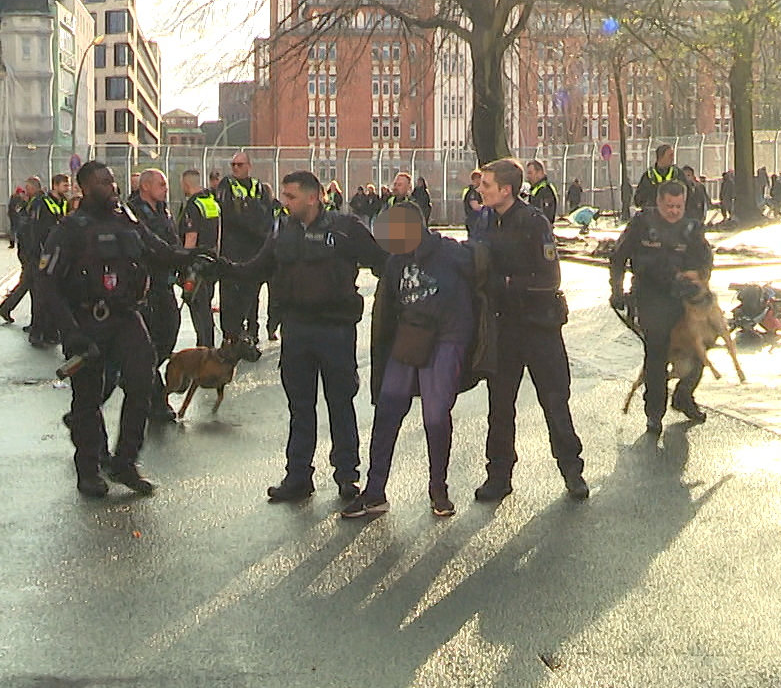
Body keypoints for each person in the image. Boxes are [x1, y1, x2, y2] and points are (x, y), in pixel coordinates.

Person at [218, 170, 387, 504]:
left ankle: (347, 476)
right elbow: (256, 267)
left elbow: (383, 262)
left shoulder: (345, 228)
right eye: (284, 195)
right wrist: (220, 268)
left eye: (291, 196)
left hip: (335, 330)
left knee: (340, 404)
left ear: (314, 197)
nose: (285, 201)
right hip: (296, 329)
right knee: (300, 406)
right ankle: (297, 476)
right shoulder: (282, 230)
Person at [40, 161, 200, 497]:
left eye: (113, 181)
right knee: (87, 397)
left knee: (142, 383)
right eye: (102, 182)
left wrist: (194, 256)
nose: (111, 187)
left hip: (126, 316)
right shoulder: (70, 228)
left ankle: (125, 461)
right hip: (86, 320)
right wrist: (69, 331)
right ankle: (89, 468)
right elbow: (47, 283)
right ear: (85, 187)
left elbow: (159, 250)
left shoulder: (126, 217)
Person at [343, 206, 476, 519]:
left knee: (435, 416)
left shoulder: (452, 253)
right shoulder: (395, 260)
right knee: (387, 411)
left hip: (447, 337)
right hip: (409, 338)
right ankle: (374, 491)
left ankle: (438, 489)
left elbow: (482, 280)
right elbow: (387, 308)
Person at [471, 158, 587, 502]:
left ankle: (572, 470)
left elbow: (550, 278)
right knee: (500, 405)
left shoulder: (533, 222)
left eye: (487, 185)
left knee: (554, 400)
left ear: (506, 189)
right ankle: (499, 475)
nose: (481, 189)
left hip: (539, 327)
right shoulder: (482, 220)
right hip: (503, 328)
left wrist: (504, 283)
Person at [611, 180, 712, 435]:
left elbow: (705, 262)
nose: (674, 211)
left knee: (699, 350)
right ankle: (654, 413)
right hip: (650, 296)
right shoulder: (642, 224)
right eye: (669, 206)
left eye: (678, 206)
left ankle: (684, 396)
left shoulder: (691, 228)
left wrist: (697, 280)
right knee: (656, 355)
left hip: (682, 298)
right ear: (658, 202)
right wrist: (617, 291)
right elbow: (618, 257)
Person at [127, 168, 183, 421]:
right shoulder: (133, 212)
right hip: (145, 286)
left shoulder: (163, 210)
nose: (165, 187)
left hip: (165, 283)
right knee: (147, 345)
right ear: (146, 186)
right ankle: (155, 399)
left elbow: (172, 242)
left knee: (169, 334)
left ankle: (141, 378)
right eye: (161, 183)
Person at [0, 173, 71, 343]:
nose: (67, 189)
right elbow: (33, 230)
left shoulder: (62, 203)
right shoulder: (40, 203)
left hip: (56, 254)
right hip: (39, 254)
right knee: (39, 293)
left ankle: (50, 331)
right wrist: (35, 254)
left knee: (46, 292)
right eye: (64, 185)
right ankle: (37, 332)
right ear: (55, 185)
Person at [217, 152, 276, 351]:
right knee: (231, 295)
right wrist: (252, 218)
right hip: (233, 250)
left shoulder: (260, 188)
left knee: (252, 294)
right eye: (233, 164)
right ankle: (231, 335)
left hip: (255, 250)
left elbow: (267, 215)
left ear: (249, 166)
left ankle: (252, 331)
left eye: (239, 164)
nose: (235, 168)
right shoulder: (227, 186)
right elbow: (230, 215)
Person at [177, 168, 221, 348]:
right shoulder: (211, 202)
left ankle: (203, 349)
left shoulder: (192, 205)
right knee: (206, 308)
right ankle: (207, 346)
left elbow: (191, 238)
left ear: (186, 184)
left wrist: (183, 264)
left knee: (198, 308)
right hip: (211, 262)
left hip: (195, 266)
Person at [634, 144, 679, 211]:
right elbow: (639, 199)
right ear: (661, 157)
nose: (673, 158)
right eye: (670, 155)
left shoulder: (677, 174)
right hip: (654, 216)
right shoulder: (648, 176)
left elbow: (688, 196)